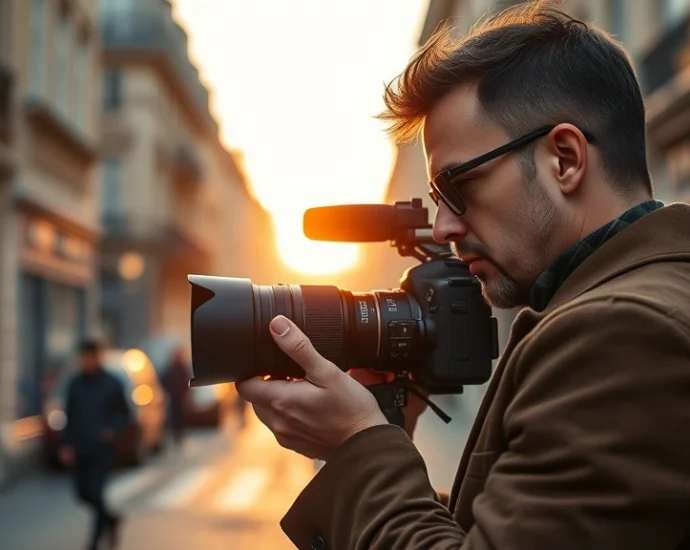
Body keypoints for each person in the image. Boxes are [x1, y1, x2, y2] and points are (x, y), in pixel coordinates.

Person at [237, 2, 690, 549]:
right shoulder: (633, 301)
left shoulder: (620, 332)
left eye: (459, 187)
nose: (445, 226)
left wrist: (357, 445)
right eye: (435, 198)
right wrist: (387, 444)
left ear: (565, 159)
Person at [60, 340, 131, 550]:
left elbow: (123, 414)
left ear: (98, 357)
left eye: (90, 357)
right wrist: (66, 444)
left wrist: (111, 430)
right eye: (83, 357)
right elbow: (69, 416)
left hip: (102, 449)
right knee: (82, 493)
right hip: (81, 447)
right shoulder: (75, 384)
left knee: (96, 492)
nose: (86, 361)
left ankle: (93, 543)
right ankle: (112, 519)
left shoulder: (112, 383)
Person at [161, 345, 191, 446]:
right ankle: (176, 434)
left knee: (180, 415)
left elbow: (187, 381)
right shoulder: (171, 368)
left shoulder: (182, 367)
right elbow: (164, 380)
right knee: (175, 415)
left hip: (180, 395)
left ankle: (179, 434)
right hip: (174, 395)